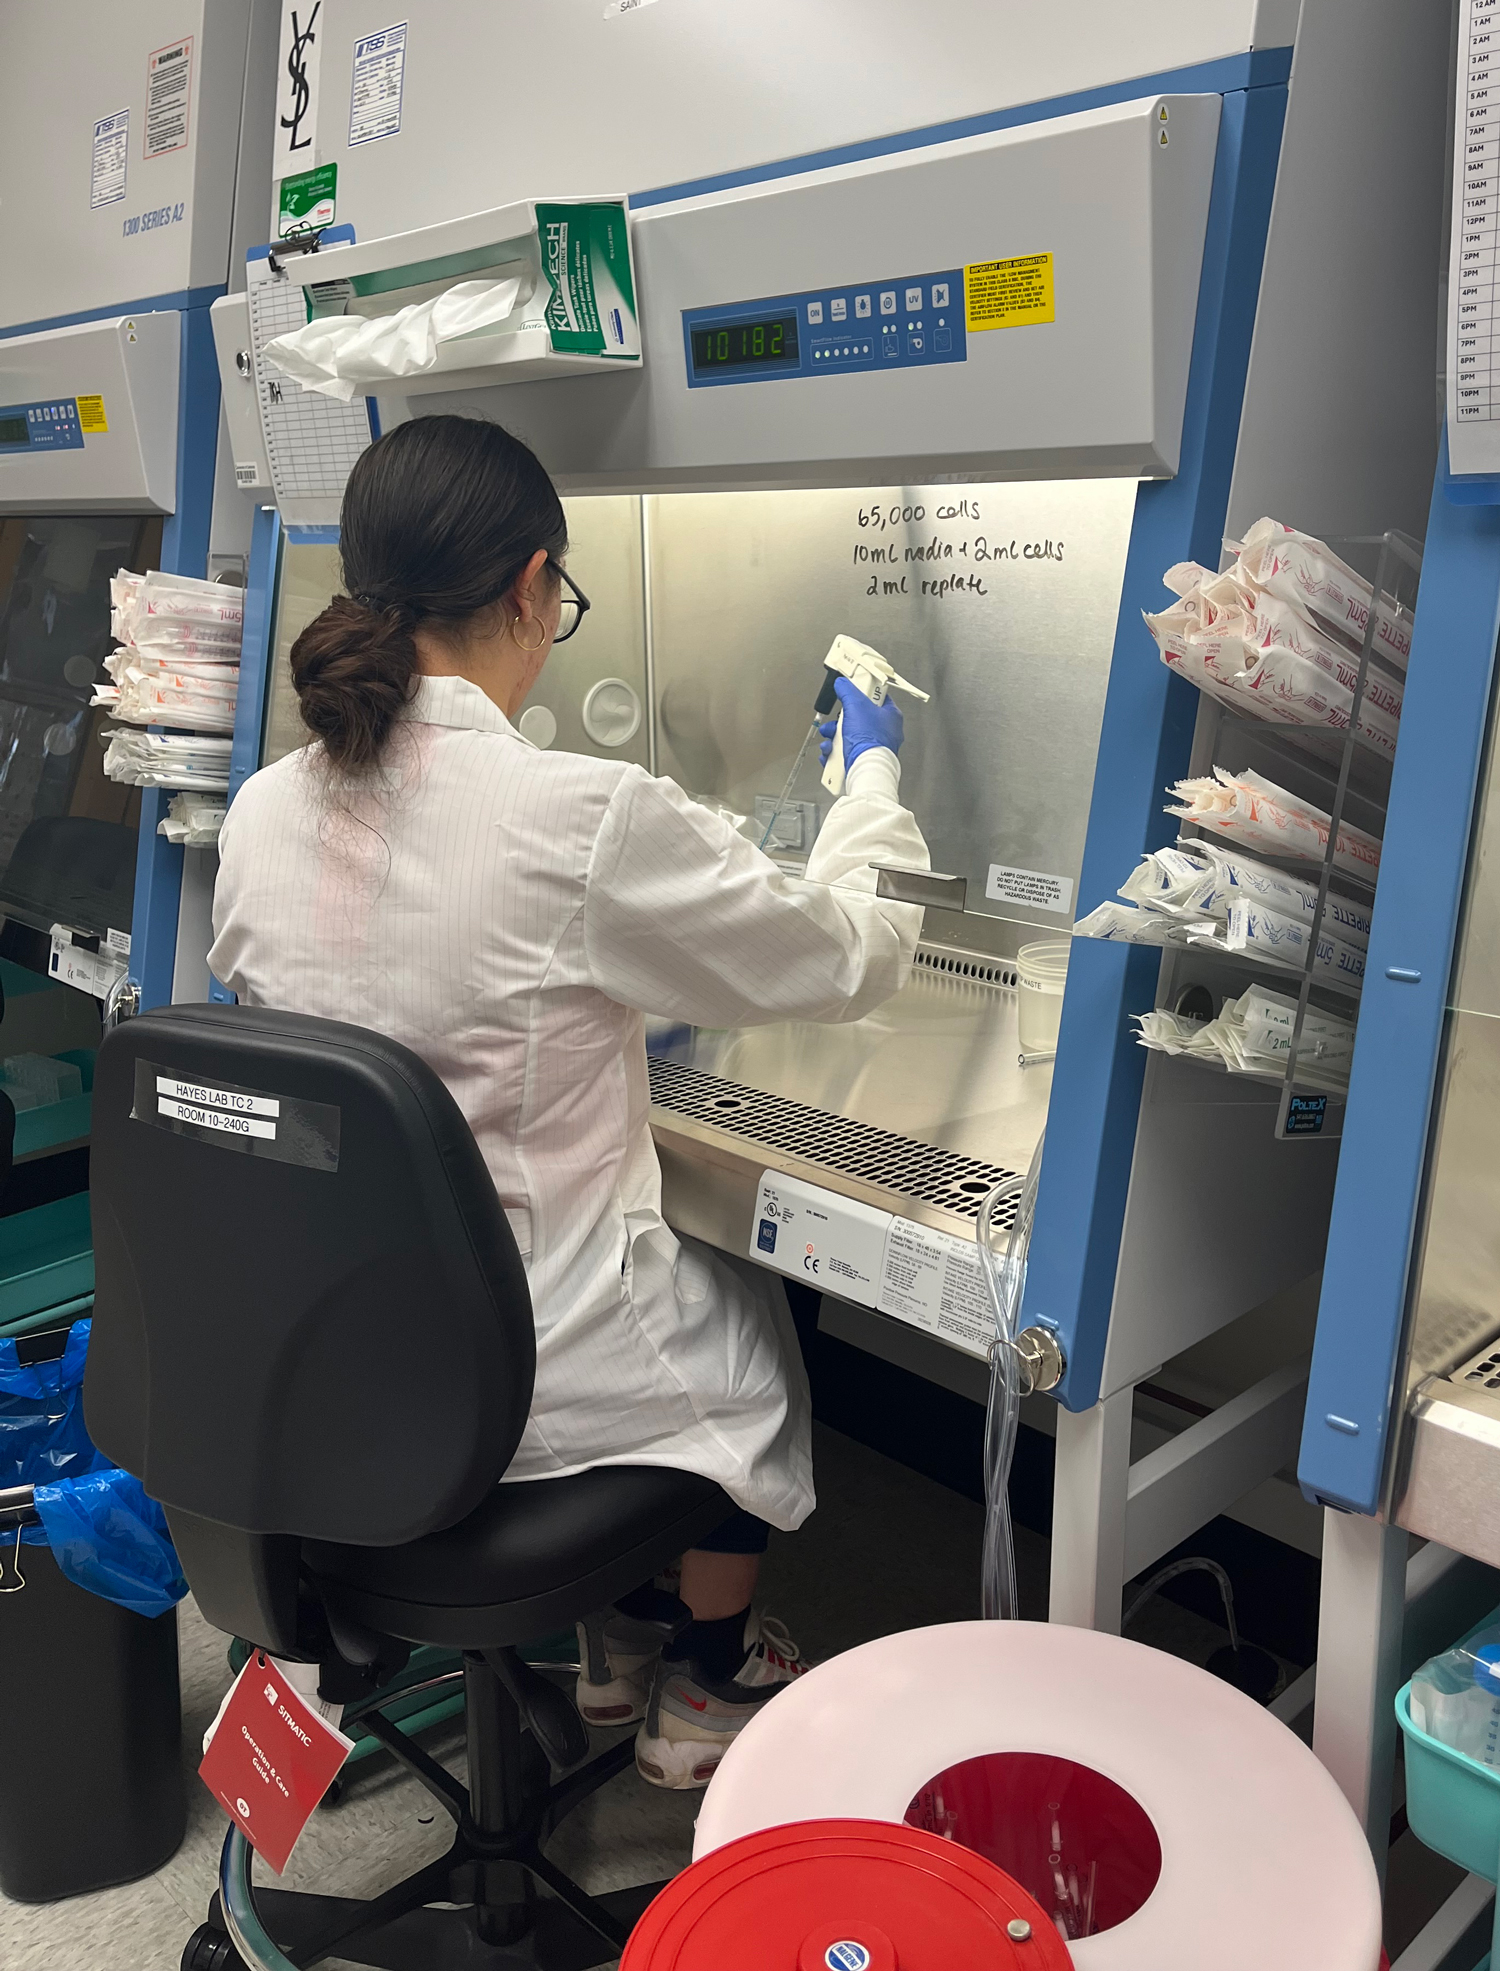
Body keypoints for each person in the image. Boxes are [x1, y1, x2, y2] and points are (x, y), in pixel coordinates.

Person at [209, 415, 929, 1789]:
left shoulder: (261, 811)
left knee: (677, 1275)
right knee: (752, 1300)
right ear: (535, 586)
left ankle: (614, 1642)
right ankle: (706, 1682)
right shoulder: (578, 814)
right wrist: (875, 778)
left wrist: (595, 1010)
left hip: (330, 1360)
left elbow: (385, 1000)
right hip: (521, 1372)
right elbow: (848, 956)